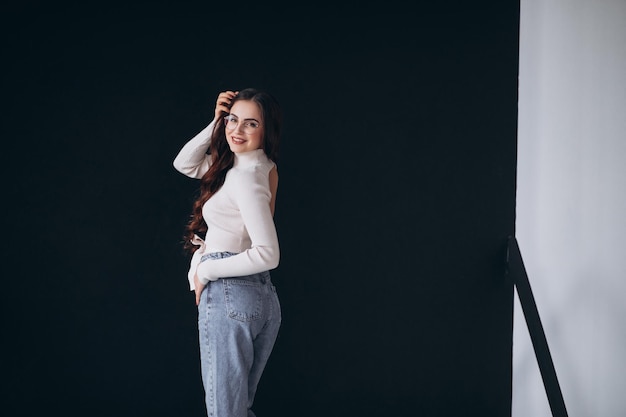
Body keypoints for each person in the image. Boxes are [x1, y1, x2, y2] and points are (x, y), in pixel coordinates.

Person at [173, 88, 282, 417]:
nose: (237, 130)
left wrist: (205, 271)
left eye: (250, 124)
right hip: (258, 297)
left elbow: (268, 253)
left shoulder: (244, 178)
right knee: (237, 411)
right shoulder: (257, 168)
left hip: (230, 293)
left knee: (225, 412)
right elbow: (185, 163)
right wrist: (215, 121)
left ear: (266, 131)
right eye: (233, 120)